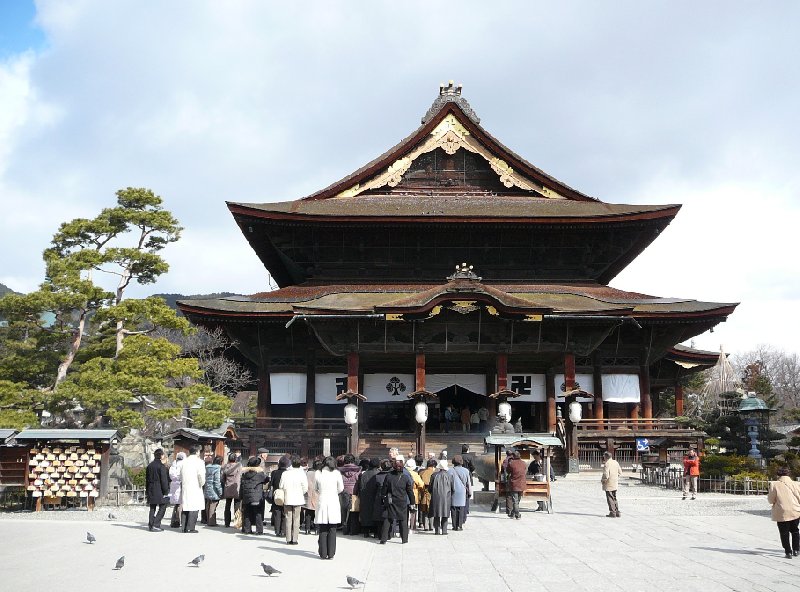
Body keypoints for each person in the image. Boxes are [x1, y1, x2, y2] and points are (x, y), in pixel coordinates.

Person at [315, 456, 344, 560]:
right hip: (333, 501)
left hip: (322, 500)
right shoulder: (336, 473)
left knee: (323, 528)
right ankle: (331, 553)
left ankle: (323, 553)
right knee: (332, 528)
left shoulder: (318, 473)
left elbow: (316, 488)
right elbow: (341, 488)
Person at [380, 458, 415, 544]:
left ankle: (384, 539)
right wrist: (412, 502)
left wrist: (383, 497)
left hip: (391, 500)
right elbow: (410, 491)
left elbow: (384, 489)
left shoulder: (388, 476)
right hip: (402, 501)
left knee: (388, 519)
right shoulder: (406, 478)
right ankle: (404, 539)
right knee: (403, 520)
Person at [767, 466, 800, 559]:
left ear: (778, 474)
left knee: (784, 532)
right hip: (795, 510)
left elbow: (771, 499)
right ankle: (796, 549)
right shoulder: (797, 484)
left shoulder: (774, 484)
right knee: (795, 530)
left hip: (782, 511)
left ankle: (788, 551)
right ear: (788, 474)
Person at [279, 454, 308, 545]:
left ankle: (288, 539)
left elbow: (281, 486)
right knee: (296, 519)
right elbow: (305, 487)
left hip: (288, 498)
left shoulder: (285, 473)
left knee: (288, 518)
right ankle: (295, 539)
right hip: (298, 498)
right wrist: (300, 493)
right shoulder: (302, 473)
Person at [179, 445, 206, 533]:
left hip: (185, 486)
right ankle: (191, 527)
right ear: (197, 452)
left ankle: (184, 527)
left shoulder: (184, 461)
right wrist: (202, 483)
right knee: (194, 507)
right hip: (195, 486)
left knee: (186, 506)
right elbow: (201, 475)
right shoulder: (199, 462)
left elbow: (180, 475)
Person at [240, 456, 268, 535]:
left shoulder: (245, 474)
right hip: (256, 496)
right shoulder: (260, 474)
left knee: (247, 513)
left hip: (246, 496)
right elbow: (266, 480)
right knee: (258, 513)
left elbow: (241, 486)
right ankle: (259, 530)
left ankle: (247, 529)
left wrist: (241, 496)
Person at [145, 448, 170, 532]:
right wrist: (166, 491)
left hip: (151, 488)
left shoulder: (149, 466)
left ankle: (151, 524)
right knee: (163, 506)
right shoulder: (161, 466)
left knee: (152, 507)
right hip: (159, 489)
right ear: (161, 456)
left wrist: (147, 490)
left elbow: (147, 479)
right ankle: (156, 524)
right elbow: (164, 480)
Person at [355, 458, 380, 538]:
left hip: (365, 496)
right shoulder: (378, 473)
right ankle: (375, 532)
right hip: (375, 497)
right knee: (375, 514)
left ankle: (366, 531)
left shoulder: (364, 474)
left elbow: (360, 485)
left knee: (366, 514)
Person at [428, 460, 454, 535]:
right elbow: (453, 488)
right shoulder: (449, 475)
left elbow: (430, 488)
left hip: (436, 496)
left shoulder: (434, 475)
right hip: (446, 497)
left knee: (436, 513)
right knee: (445, 513)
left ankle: (437, 530)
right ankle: (444, 530)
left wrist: (433, 493)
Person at [338, 454, 361, 535]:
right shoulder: (358, 470)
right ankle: (353, 530)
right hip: (354, 492)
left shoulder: (340, 471)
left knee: (343, 512)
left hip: (343, 492)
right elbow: (359, 481)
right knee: (354, 512)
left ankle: (345, 529)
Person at [449, 455, 471, 529]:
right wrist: (470, 492)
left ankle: (454, 525)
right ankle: (460, 525)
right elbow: (468, 483)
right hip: (462, 492)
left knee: (453, 509)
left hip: (453, 491)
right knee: (461, 509)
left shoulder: (450, 471)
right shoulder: (466, 471)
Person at [269, 456, 289, 536]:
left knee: (277, 513)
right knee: (284, 512)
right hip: (285, 494)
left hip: (276, 494)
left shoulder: (274, 472)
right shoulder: (288, 473)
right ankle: (283, 531)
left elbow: (271, 483)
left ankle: (277, 531)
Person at [221, 452, 242, 528]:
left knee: (227, 505)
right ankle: (237, 523)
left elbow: (222, 478)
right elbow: (241, 476)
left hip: (228, 487)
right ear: (235, 459)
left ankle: (227, 523)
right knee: (237, 506)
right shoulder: (238, 466)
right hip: (236, 487)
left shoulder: (225, 467)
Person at [404, 457, 425, 532]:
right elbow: (421, 484)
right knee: (413, 512)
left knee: (405, 512)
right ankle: (412, 528)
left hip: (404, 494)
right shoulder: (415, 474)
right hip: (414, 494)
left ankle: (404, 526)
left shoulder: (404, 472)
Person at [304, 456, 323, 535]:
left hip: (309, 493)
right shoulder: (321, 474)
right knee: (317, 513)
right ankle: (317, 529)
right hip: (318, 494)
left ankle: (307, 529)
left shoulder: (308, 473)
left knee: (308, 512)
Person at [506, 450, 527, 520]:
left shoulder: (511, 463)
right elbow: (525, 471)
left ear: (513, 456)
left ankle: (517, 514)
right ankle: (512, 514)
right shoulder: (524, 463)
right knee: (517, 500)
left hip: (514, 484)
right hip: (522, 484)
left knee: (515, 501)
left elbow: (508, 471)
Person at [203, 455, 223, 526]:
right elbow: (217, 481)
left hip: (207, 488)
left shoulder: (207, 468)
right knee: (213, 505)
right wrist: (220, 492)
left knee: (208, 504)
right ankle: (211, 522)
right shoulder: (218, 469)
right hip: (214, 489)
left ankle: (208, 520)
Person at [601, 451, 622, 518]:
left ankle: (612, 512)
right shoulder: (615, 462)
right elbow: (620, 472)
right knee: (614, 497)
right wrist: (615, 477)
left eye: (604, 456)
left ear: (606, 456)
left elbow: (606, 475)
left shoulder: (607, 463)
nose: (603, 457)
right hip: (615, 482)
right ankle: (617, 512)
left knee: (610, 497)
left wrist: (603, 481)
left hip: (609, 482)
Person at [418, 458, 436, 531]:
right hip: (432, 493)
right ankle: (431, 526)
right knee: (431, 510)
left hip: (423, 493)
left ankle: (425, 525)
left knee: (424, 510)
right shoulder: (435, 473)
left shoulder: (421, 472)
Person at [168, 451, 185, 528]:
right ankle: (179, 520)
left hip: (174, 485)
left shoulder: (173, 464)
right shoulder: (184, 464)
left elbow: (171, 475)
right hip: (181, 485)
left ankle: (174, 521)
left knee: (176, 504)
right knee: (181, 504)